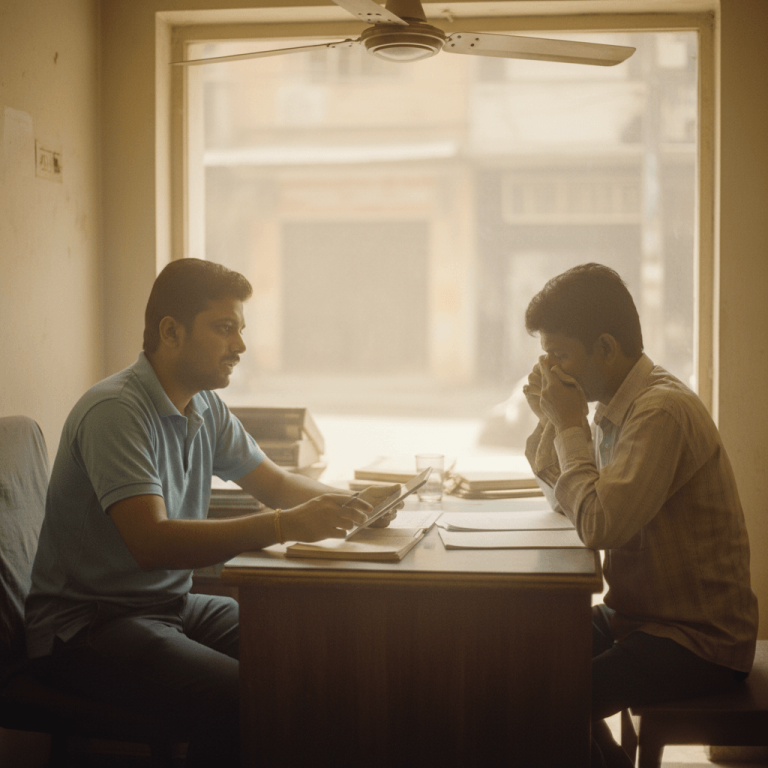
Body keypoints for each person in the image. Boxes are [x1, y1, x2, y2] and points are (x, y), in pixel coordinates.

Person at [25, 258, 399, 767]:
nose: (240, 347)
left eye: (240, 330)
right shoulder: (115, 411)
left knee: (307, 649)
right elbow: (151, 542)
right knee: (241, 696)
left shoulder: (204, 406)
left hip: (168, 608)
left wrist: (353, 508)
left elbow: (277, 482)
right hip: (86, 628)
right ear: (170, 332)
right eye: (225, 329)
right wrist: (284, 525)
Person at [521, 263, 758, 768]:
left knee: (554, 697)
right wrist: (552, 419)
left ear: (605, 348)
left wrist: (568, 425)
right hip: (638, 616)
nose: (551, 370)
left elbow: (598, 526)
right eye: (546, 357)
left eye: (559, 355)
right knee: (528, 652)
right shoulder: (615, 407)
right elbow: (565, 498)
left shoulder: (659, 412)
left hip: (697, 637)